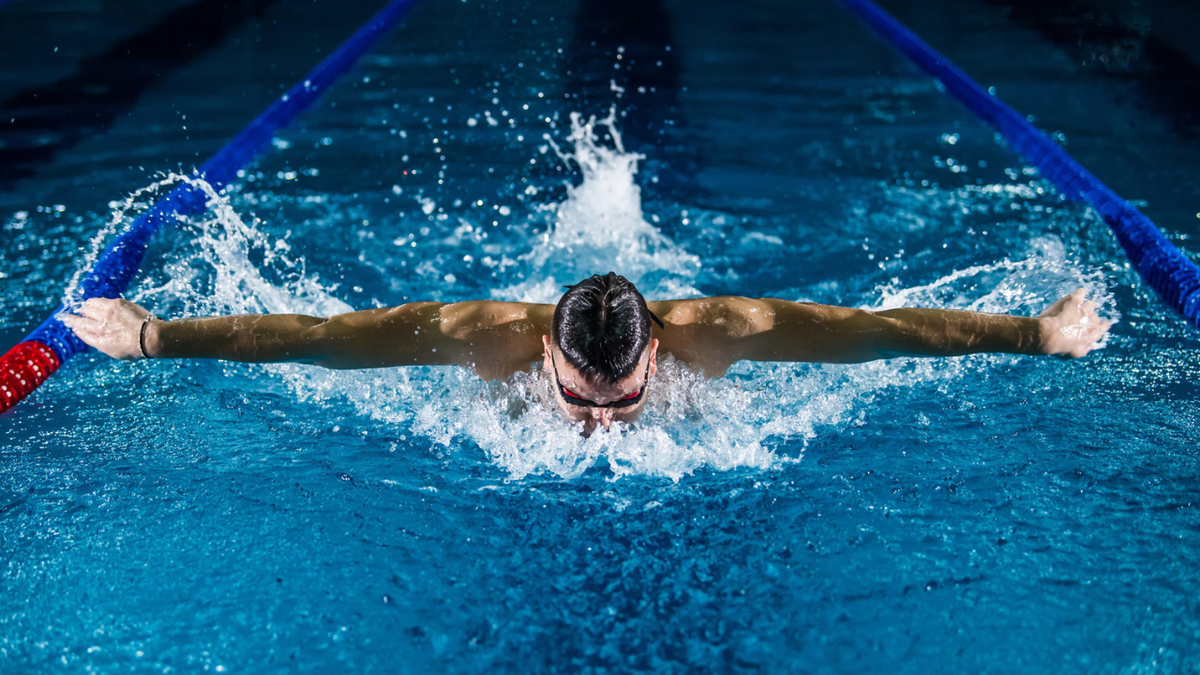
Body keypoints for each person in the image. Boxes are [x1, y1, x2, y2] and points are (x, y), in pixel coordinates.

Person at [59, 272, 1110, 434]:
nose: (598, 423)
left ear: (659, 344)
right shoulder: (482, 339)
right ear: (545, 355)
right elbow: (323, 343)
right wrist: (154, 337)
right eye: (579, 395)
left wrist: (1035, 334)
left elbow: (883, 332)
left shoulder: (725, 331)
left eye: (621, 399)